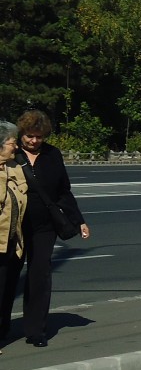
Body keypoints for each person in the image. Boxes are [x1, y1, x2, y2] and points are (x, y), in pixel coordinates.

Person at [11, 110, 89, 348]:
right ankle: (2, 325)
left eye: (39, 137)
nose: (34, 141)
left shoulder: (52, 154)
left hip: (45, 226)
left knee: (40, 277)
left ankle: (36, 330)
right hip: (14, 226)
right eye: (29, 136)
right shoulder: (10, 153)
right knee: (7, 277)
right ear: (21, 133)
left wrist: (79, 220)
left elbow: (63, 191)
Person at [0, 121, 29, 353]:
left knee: (8, 289)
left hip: (12, 243)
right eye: (11, 143)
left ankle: (2, 332)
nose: (16, 147)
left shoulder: (13, 168)